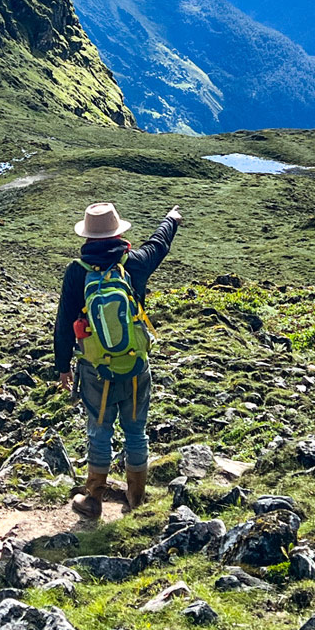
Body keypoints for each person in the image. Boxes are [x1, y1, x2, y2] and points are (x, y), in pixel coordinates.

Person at [55, 201, 183, 517]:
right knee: (136, 431)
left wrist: (62, 367)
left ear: (87, 237)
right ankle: (136, 499)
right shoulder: (134, 263)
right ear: (117, 233)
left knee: (99, 431)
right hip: (137, 366)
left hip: (95, 369)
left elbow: (63, 322)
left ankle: (94, 499)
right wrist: (172, 218)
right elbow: (159, 243)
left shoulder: (76, 272)